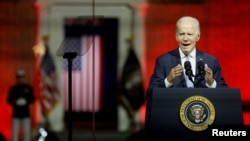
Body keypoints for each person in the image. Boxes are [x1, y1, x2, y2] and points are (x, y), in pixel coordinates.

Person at [146, 16, 228, 99]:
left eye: (189, 34)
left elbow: (225, 94)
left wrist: (211, 83)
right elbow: (150, 94)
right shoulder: (163, 61)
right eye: (181, 34)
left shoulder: (211, 61)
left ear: (198, 36)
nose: (185, 38)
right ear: (176, 37)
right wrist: (168, 80)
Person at [7, 70, 35, 141]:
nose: (20, 79)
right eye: (19, 78)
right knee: (14, 133)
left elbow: (33, 98)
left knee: (27, 133)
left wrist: (26, 101)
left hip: (25, 113)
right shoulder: (13, 89)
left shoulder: (28, 88)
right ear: (17, 78)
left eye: (21, 77)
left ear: (23, 78)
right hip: (16, 114)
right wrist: (15, 102)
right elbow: (8, 100)